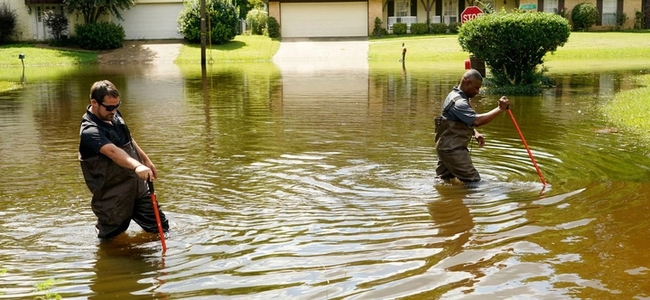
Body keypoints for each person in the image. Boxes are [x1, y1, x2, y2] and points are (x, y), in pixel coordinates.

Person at [79, 80, 169, 239]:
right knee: (111, 238)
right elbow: (113, 152)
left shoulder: (113, 114)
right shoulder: (89, 130)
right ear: (94, 102)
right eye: (109, 107)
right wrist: (137, 166)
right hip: (113, 195)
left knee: (161, 228)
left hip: (138, 187)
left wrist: (145, 160)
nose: (114, 111)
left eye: (117, 105)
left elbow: (128, 139)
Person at [434, 69, 510, 183]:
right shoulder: (458, 102)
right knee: (474, 181)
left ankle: (445, 199)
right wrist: (500, 109)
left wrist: (475, 133)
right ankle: (472, 201)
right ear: (467, 82)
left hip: (444, 147)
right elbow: (477, 121)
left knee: (444, 180)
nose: (478, 92)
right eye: (476, 88)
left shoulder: (456, 96)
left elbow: (459, 120)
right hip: (452, 150)